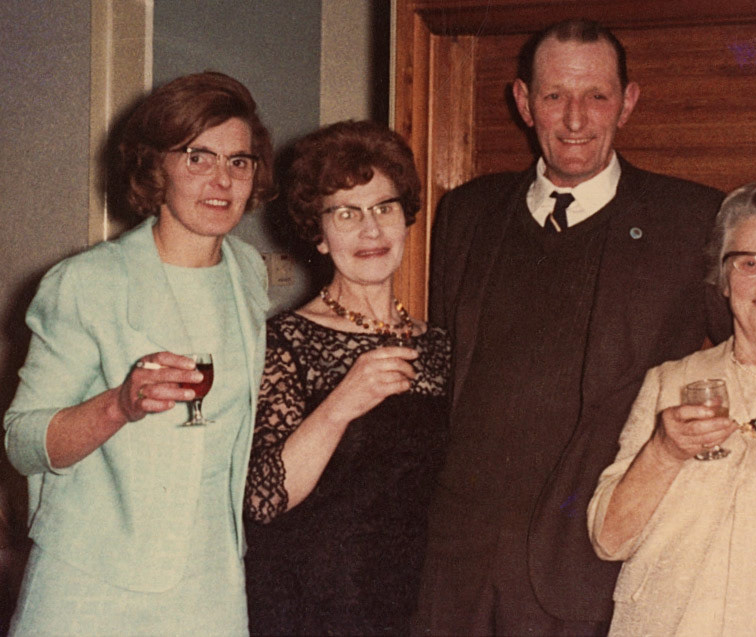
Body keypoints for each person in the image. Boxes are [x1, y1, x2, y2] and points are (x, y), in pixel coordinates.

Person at [415, 18, 731, 635]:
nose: (576, 119)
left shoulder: (691, 221)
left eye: (597, 96)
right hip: (458, 566)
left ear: (628, 103)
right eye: (555, 95)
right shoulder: (467, 214)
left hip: (592, 564)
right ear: (524, 102)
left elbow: (752, 357)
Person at [3, 71, 273, 635]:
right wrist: (119, 405)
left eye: (239, 161)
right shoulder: (86, 282)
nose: (222, 179)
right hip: (94, 581)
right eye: (198, 157)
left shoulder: (248, 273)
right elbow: (22, 442)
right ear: (157, 168)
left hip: (213, 581)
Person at [587, 184, 756, 636]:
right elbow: (607, 540)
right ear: (723, 279)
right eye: (748, 263)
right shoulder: (669, 381)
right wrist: (663, 452)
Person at [243, 120, 450, 636]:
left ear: (406, 218)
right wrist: (341, 402)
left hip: (416, 604)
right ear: (318, 233)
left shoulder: (441, 345)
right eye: (346, 213)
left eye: (384, 208)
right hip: (310, 605)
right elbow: (264, 498)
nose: (371, 230)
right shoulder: (284, 342)